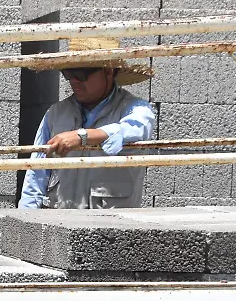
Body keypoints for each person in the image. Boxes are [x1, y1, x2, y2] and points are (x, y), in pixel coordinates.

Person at [19, 62, 156, 209]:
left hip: (109, 221)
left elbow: (134, 131)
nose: (74, 80)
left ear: (108, 71)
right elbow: (36, 175)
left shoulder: (136, 109)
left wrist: (82, 137)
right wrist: (26, 215)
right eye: (68, 74)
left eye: (81, 74)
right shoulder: (56, 113)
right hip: (59, 219)